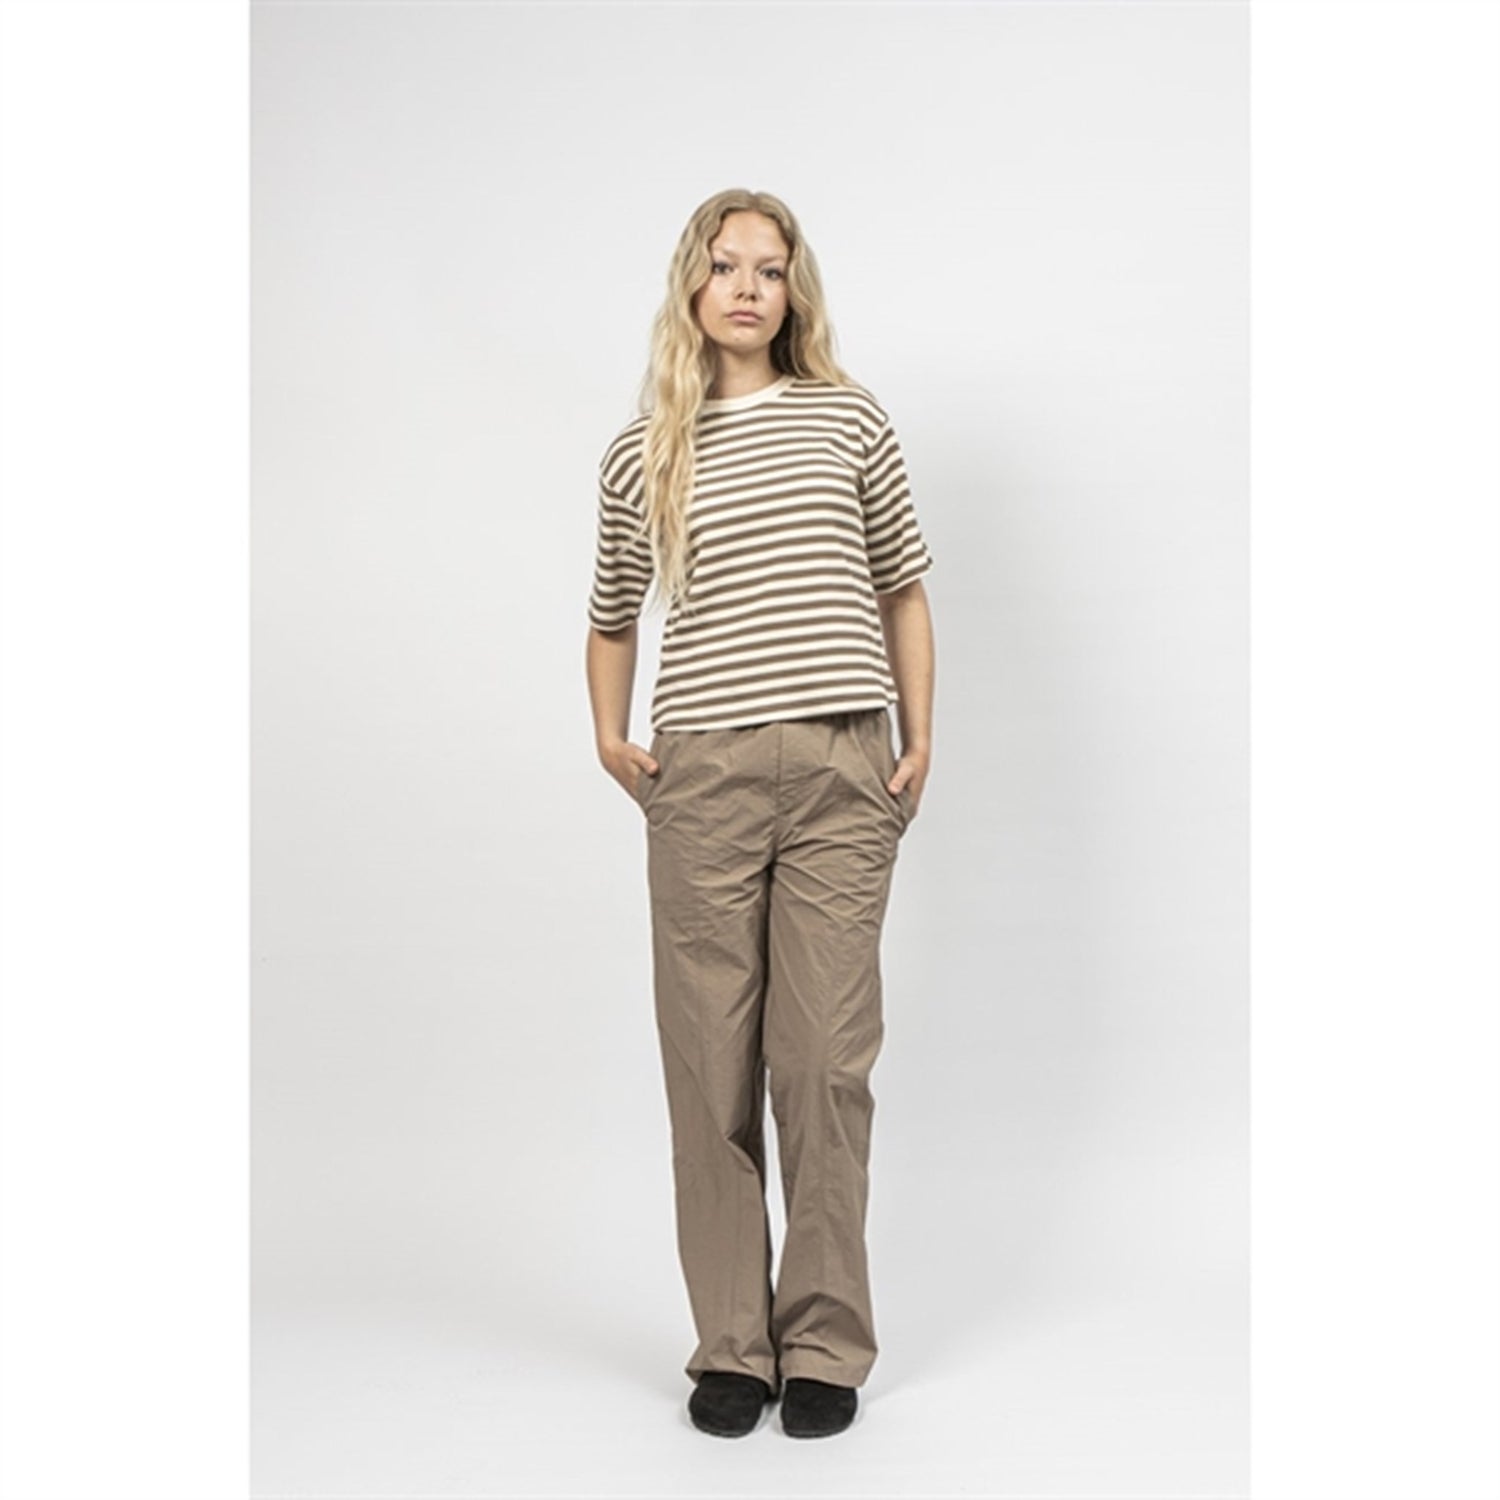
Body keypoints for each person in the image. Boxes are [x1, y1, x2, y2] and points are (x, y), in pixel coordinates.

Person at [584, 188, 936, 1440]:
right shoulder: (646, 450)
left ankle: (825, 1341)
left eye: (770, 269)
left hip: (843, 767)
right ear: (692, 284)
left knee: (824, 1064)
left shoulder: (849, 418)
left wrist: (919, 735)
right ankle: (734, 1344)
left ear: (795, 291)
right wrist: (612, 737)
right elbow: (612, 611)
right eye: (726, 265)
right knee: (709, 1066)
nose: (747, 287)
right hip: (704, 778)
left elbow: (901, 586)